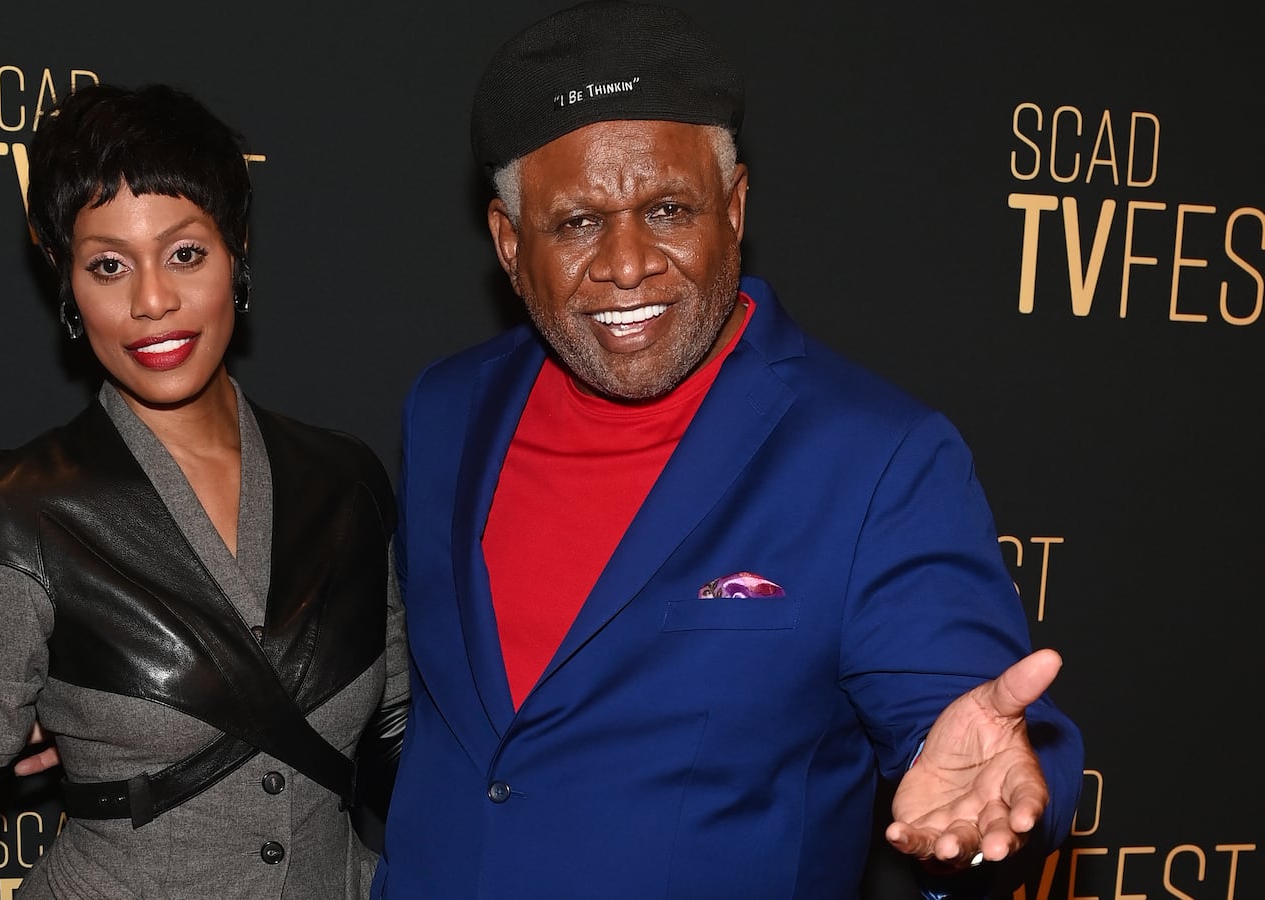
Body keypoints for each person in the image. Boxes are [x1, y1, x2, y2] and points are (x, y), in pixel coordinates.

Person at [375, 2, 1083, 898]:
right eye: (578, 223)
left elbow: (975, 732)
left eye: (668, 207)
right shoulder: (446, 408)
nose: (628, 264)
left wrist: (995, 798)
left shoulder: (876, 457)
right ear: (511, 246)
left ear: (735, 209)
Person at [0, 83, 408, 900]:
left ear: (237, 250)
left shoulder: (345, 482)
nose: (152, 302)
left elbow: (394, 737)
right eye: (108, 265)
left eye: (184, 253)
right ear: (65, 281)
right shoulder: (18, 510)